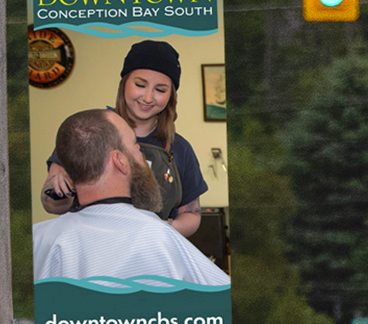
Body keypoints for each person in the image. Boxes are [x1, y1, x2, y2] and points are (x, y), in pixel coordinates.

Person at [33, 109, 230, 286]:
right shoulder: (158, 237)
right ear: (119, 161)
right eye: (135, 144)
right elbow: (223, 301)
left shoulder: (40, 238)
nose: (140, 151)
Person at [40, 40, 207, 237]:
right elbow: (50, 204)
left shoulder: (180, 149)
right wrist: (60, 191)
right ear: (124, 83)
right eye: (140, 85)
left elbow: (192, 215)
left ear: (171, 96)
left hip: (152, 252)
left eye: (160, 90)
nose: (147, 97)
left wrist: (160, 229)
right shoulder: (88, 130)